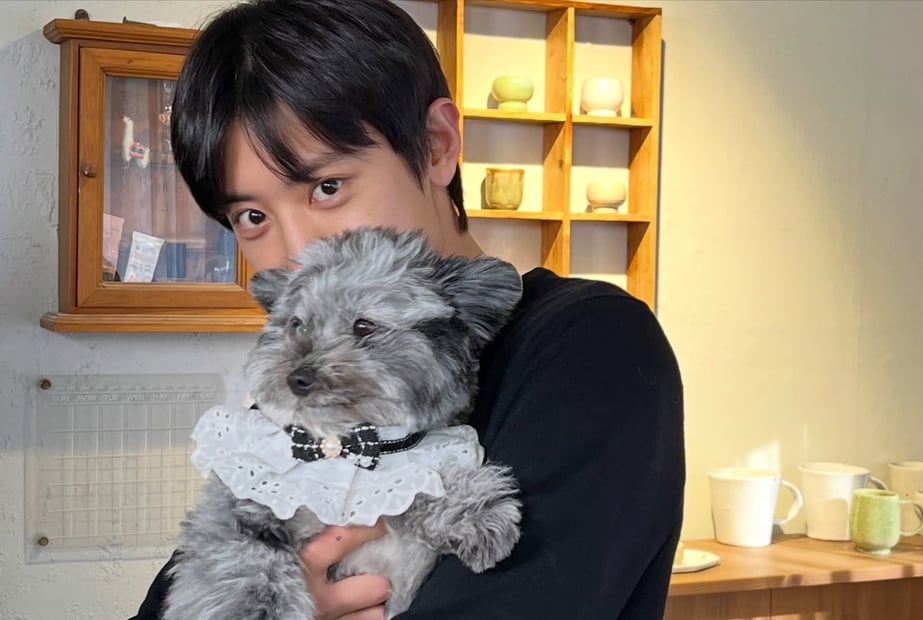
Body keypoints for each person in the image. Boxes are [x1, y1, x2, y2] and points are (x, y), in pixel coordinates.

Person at [129, 0, 685, 618]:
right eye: (252, 216)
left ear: (436, 146)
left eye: (327, 187)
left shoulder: (593, 346)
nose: (298, 251)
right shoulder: (306, 395)